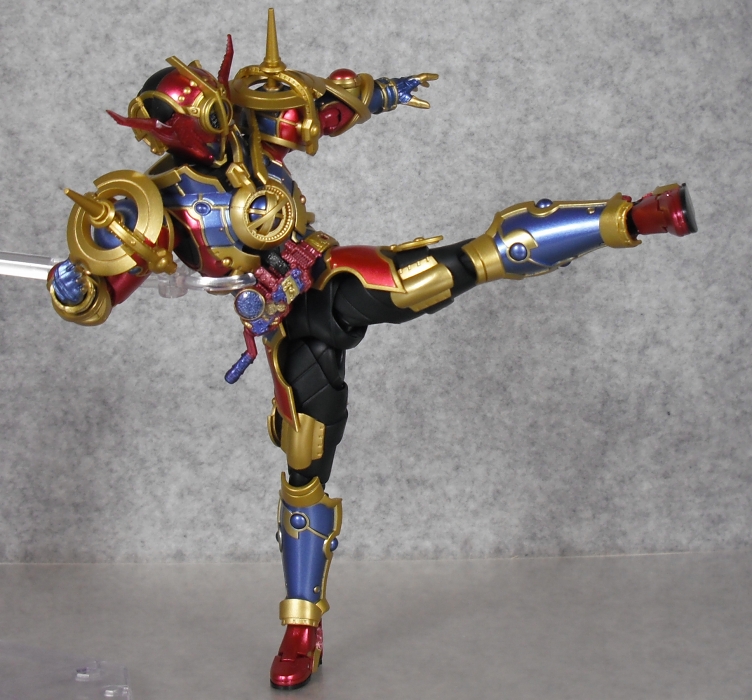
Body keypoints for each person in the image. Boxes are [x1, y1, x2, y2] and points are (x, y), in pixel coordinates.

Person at [48, 9, 697, 691]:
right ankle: (301, 628)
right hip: (287, 323)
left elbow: (322, 109)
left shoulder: (247, 126)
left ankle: (632, 216)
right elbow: (103, 289)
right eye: (203, 119)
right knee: (305, 462)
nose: (220, 123)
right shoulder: (151, 201)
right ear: (167, 132)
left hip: (328, 274)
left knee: (446, 268)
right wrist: (76, 287)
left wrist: (380, 93)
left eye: (217, 106)